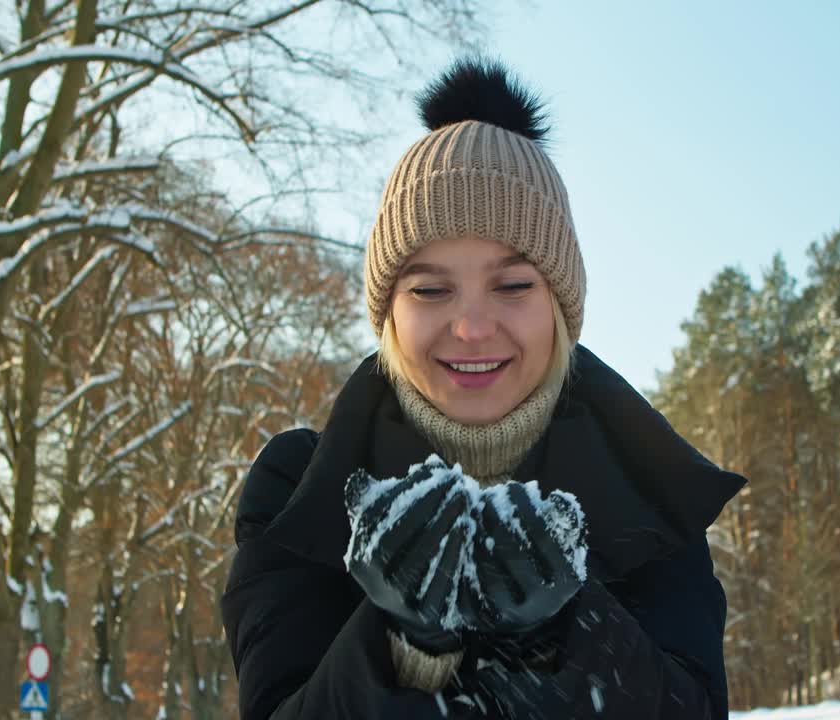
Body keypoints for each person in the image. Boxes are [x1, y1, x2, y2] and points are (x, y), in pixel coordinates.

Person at [220, 57, 747, 719]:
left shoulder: (650, 488)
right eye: (431, 289)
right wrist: (404, 646)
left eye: (514, 285)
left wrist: (561, 631)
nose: (470, 326)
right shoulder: (298, 491)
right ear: (388, 312)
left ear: (559, 304)